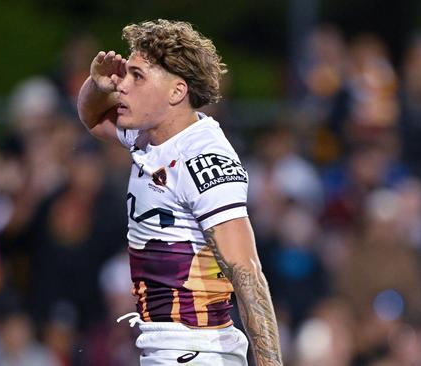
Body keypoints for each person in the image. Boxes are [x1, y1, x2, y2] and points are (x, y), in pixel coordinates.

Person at [77, 19, 283, 365]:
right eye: (126, 73)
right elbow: (93, 119)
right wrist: (97, 85)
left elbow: (247, 273)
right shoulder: (150, 136)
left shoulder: (204, 160)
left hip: (195, 353)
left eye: (137, 76)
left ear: (177, 92)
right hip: (171, 349)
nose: (122, 85)